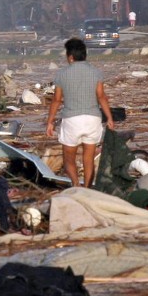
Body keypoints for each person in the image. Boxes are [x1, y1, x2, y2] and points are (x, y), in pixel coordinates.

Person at [45, 38, 115, 188]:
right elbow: (101, 96)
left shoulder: (62, 74)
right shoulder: (96, 72)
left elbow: (56, 100)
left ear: (70, 57)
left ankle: (76, 185)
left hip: (72, 120)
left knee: (68, 159)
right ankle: (88, 189)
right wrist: (109, 118)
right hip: (93, 120)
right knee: (88, 159)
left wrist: (50, 121)